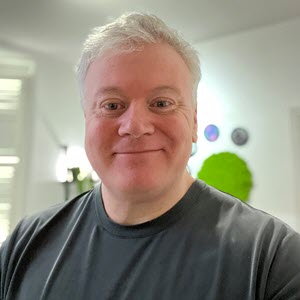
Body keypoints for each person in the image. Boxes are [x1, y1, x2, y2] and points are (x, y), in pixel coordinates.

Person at [0, 12, 299, 300]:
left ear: (194, 122)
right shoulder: (25, 244)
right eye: (112, 105)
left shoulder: (273, 259)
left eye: (161, 102)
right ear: (86, 120)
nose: (136, 127)